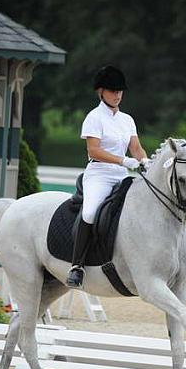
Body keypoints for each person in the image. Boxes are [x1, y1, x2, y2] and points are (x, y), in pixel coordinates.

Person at [66, 65, 149, 289]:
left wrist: (145, 162)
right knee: (91, 211)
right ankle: (77, 266)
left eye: (120, 91)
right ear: (101, 91)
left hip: (121, 175)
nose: (118, 95)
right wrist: (124, 161)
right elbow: (93, 150)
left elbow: (136, 148)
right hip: (99, 174)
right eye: (113, 91)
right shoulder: (94, 117)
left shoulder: (127, 119)